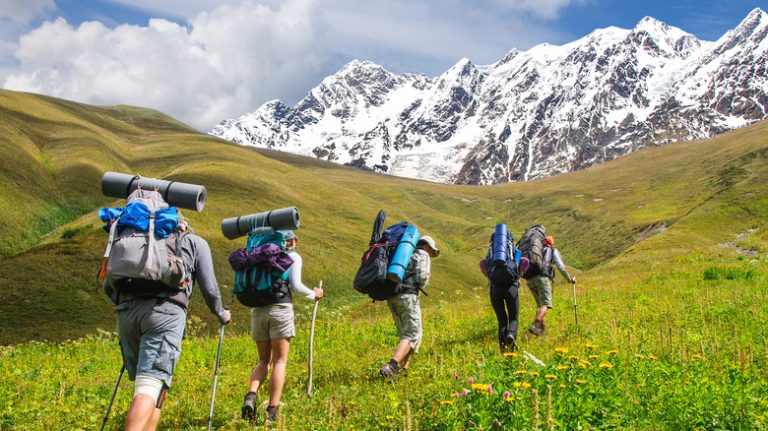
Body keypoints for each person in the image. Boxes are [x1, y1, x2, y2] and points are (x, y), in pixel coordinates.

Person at [104, 214, 232, 431]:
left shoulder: (133, 240)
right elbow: (210, 289)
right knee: (148, 387)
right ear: (182, 224)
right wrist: (221, 313)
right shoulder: (194, 242)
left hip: (126, 313)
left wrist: (130, 303)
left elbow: (108, 286)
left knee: (152, 386)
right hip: (165, 314)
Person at [241, 230, 324, 425]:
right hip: (280, 309)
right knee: (280, 361)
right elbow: (295, 285)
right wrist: (314, 294)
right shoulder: (292, 256)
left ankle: (251, 395)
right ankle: (271, 412)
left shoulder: (258, 257)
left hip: (258, 311)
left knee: (264, 361)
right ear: (291, 241)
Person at [379, 235, 439, 381]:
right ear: (427, 247)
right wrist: (426, 279)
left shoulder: (405, 255)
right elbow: (422, 277)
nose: (431, 254)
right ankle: (391, 366)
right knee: (412, 334)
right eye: (431, 251)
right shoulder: (422, 254)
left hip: (393, 297)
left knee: (406, 334)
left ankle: (403, 370)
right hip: (408, 297)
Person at [527, 235, 576, 336]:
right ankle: (536, 325)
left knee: (540, 305)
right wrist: (569, 279)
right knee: (546, 304)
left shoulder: (536, 251)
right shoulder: (552, 250)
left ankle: (541, 332)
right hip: (543, 278)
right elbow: (561, 267)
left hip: (530, 279)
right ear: (551, 243)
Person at [480, 243, 520, 353]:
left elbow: (482, 263)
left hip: (495, 289)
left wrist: (488, 276)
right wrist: (518, 275)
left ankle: (503, 350)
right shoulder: (513, 251)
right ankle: (511, 336)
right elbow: (525, 262)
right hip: (511, 288)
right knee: (513, 317)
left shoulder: (492, 252)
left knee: (502, 321)